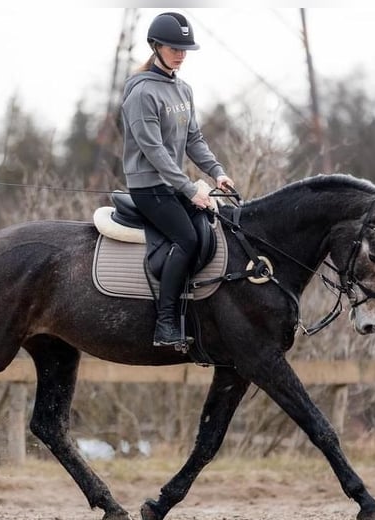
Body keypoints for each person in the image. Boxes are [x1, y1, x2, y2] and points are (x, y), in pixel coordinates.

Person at [120, 11, 234, 347]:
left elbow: (194, 139)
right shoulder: (142, 93)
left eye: (185, 48)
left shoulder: (182, 89)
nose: (181, 54)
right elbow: (154, 150)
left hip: (173, 185)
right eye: (174, 47)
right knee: (186, 238)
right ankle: (165, 322)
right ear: (155, 46)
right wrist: (189, 188)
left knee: (211, 227)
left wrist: (217, 172)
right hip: (149, 187)